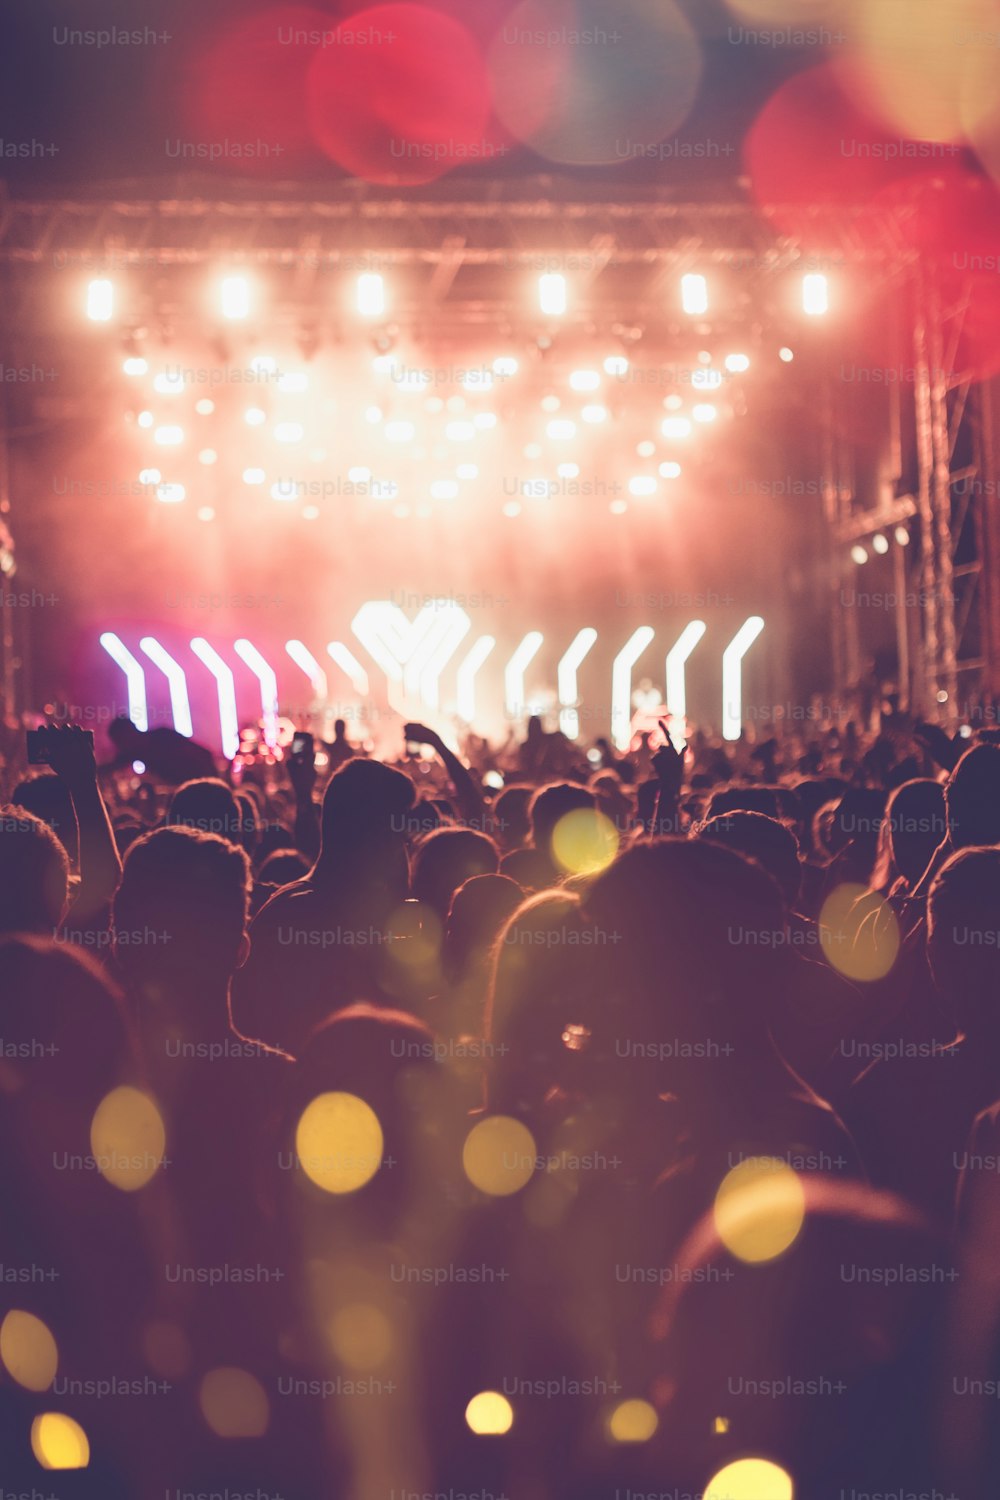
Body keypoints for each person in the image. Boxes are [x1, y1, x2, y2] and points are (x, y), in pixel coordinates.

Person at [231, 757, 417, 1056]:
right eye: (397, 826)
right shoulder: (300, 917)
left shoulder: (360, 914)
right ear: (368, 830)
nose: (405, 839)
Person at [106, 714, 217, 784]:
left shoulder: (163, 737)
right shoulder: (135, 751)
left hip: (201, 784)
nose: (119, 747)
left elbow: (202, 754)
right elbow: (110, 767)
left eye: (119, 741)